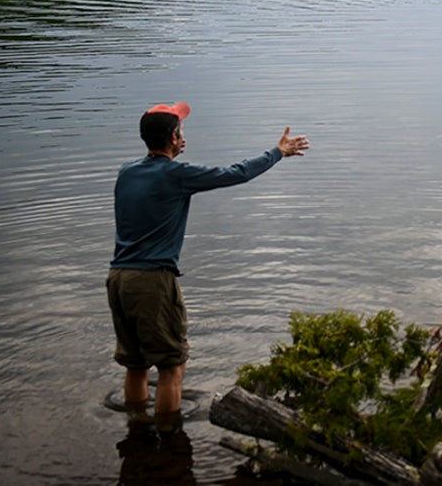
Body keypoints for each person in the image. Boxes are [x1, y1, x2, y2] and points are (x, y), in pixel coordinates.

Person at [107, 101, 309, 431]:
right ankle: (170, 440)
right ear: (173, 138)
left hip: (117, 278)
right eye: (181, 131)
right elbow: (236, 173)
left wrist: (169, 154)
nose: (184, 136)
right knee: (172, 367)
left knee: (136, 365)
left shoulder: (126, 173)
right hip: (152, 282)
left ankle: (137, 434)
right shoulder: (176, 174)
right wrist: (277, 152)